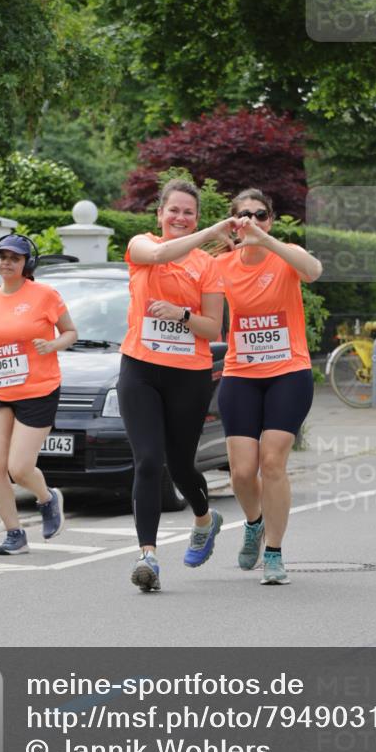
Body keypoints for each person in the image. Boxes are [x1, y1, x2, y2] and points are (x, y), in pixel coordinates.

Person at [118, 179, 238, 592]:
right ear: (160, 214)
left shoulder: (208, 265)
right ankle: (147, 556)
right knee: (149, 460)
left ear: (197, 218)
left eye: (189, 212)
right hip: (140, 369)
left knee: (182, 465)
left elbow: (212, 326)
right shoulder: (141, 246)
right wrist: (209, 234)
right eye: (174, 210)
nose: (180, 218)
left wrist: (180, 315)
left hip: (188, 374)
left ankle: (205, 519)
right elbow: (162, 253)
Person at [216, 189, 322, 585]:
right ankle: (254, 522)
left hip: (287, 372)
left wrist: (269, 242)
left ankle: (274, 554)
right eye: (245, 215)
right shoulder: (224, 265)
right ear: (233, 221)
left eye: (260, 214)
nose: (253, 220)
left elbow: (313, 270)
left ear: (270, 219)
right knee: (243, 473)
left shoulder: (284, 256)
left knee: (273, 462)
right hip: (241, 373)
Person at [0, 234, 77, 555]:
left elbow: (71, 332)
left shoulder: (44, 295)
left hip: (38, 390)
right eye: (2, 257)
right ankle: (14, 534)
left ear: (27, 264)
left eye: (14, 258)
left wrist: (53, 344)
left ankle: (47, 498)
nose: (7, 262)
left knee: (20, 467)